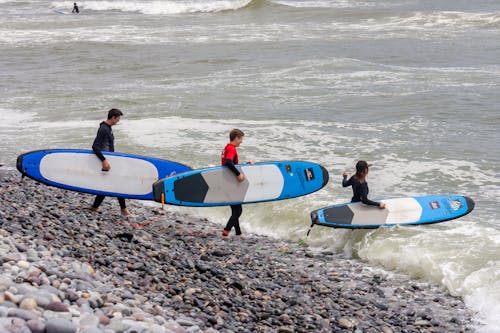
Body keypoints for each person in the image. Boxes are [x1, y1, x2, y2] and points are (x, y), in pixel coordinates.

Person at [89, 108, 131, 216]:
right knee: (117, 183)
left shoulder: (108, 128)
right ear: (113, 117)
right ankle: (124, 210)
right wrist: (104, 160)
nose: (118, 121)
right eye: (118, 118)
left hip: (109, 161)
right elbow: (95, 146)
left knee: (106, 184)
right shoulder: (104, 129)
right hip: (106, 163)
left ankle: (95, 207)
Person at [221, 129, 254, 236]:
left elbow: (231, 164)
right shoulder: (231, 149)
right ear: (236, 138)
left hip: (227, 182)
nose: (241, 141)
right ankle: (226, 231)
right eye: (241, 139)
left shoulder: (226, 148)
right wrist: (238, 174)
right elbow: (228, 162)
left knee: (235, 210)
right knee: (238, 211)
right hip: (231, 183)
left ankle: (238, 233)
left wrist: (246, 164)